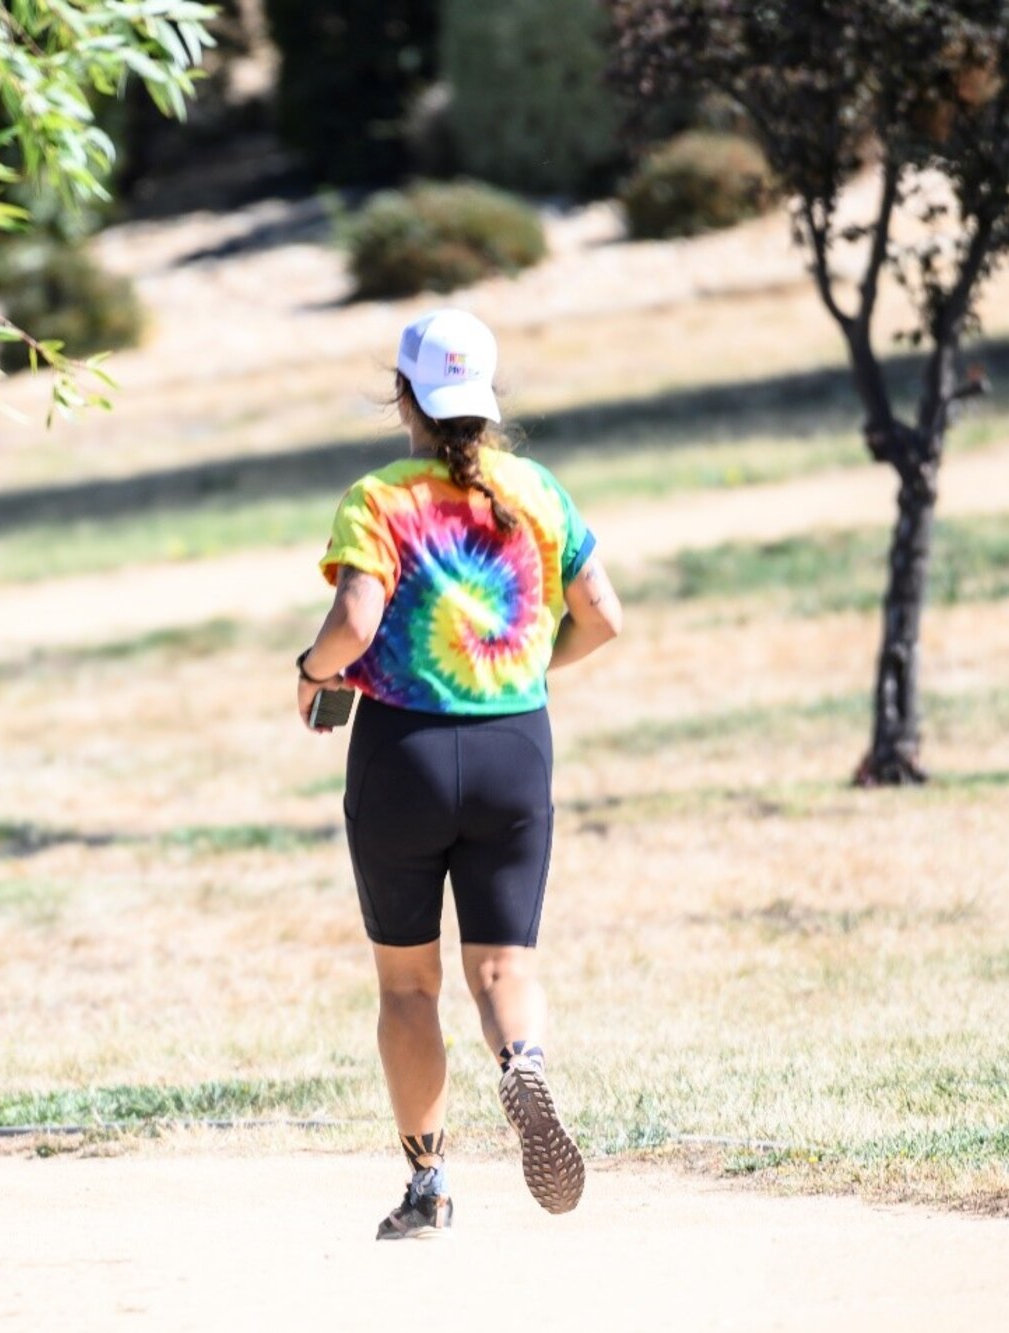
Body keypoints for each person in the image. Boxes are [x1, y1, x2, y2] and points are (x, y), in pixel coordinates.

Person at [295, 309, 623, 1239]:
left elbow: (356, 622)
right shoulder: (538, 490)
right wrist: (518, 668)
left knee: (408, 986)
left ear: (404, 395)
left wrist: (315, 675)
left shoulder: (378, 497)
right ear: (488, 397)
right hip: (514, 750)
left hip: (404, 754)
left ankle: (428, 1185)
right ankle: (522, 1060)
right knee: (502, 963)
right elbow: (604, 616)